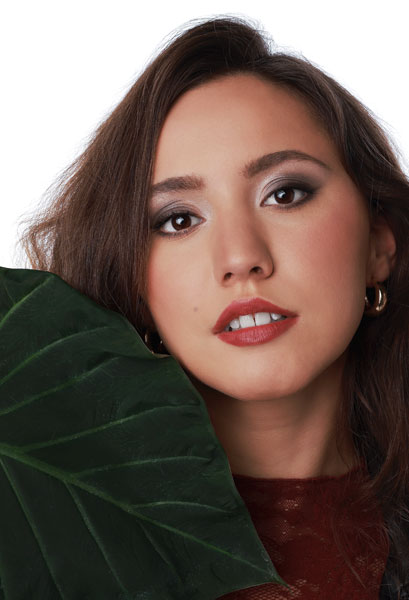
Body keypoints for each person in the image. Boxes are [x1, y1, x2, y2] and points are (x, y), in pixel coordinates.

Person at [18, 15, 409, 599]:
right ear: (131, 277)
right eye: (178, 220)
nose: (240, 257)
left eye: (285, 193)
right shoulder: (35, 532)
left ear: (379, 243)